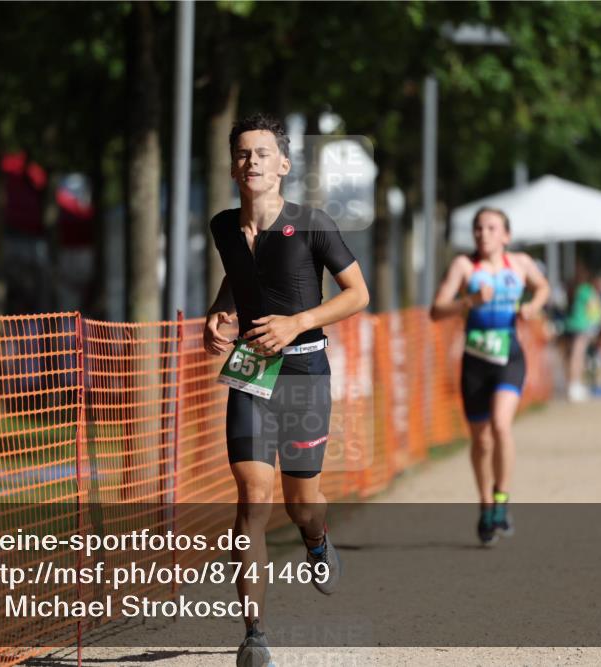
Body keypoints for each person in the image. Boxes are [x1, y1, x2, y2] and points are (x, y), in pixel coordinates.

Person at [203, 113, 369, 667]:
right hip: (251, 371)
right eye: (243, 153)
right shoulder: (224, 227)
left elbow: (357, 294)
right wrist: (220, 312)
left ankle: (317, 541)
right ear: (233, 166)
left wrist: (296, 323)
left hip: (303, 371)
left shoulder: (312, 223)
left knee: (302, 504)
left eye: (262, 153)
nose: (252, 161)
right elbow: (239, 275)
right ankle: (255, 635)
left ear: (284, 166)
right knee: (252, 498)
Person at [429, 207, 549, 546]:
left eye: (491, 228)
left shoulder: (521, 264)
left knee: (501, 424)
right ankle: (484, 503)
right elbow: (436, 310)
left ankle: (501, 499)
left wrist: (533, 305)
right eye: (478, 228)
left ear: (506, 235)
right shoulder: (464, 267)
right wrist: (468, 301)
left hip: (509, 356)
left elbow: (543, 287)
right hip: (475, 361)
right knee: (480, 440)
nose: (483, 234)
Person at [563, 264, 601, 402]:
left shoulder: (573, 289)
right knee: (578, 356)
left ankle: (570, 384)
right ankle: (575, 385)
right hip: (581, 326)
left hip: (569, 325)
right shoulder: (587, 290)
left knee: (569, 357)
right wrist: (597, 321)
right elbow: (594, 307)